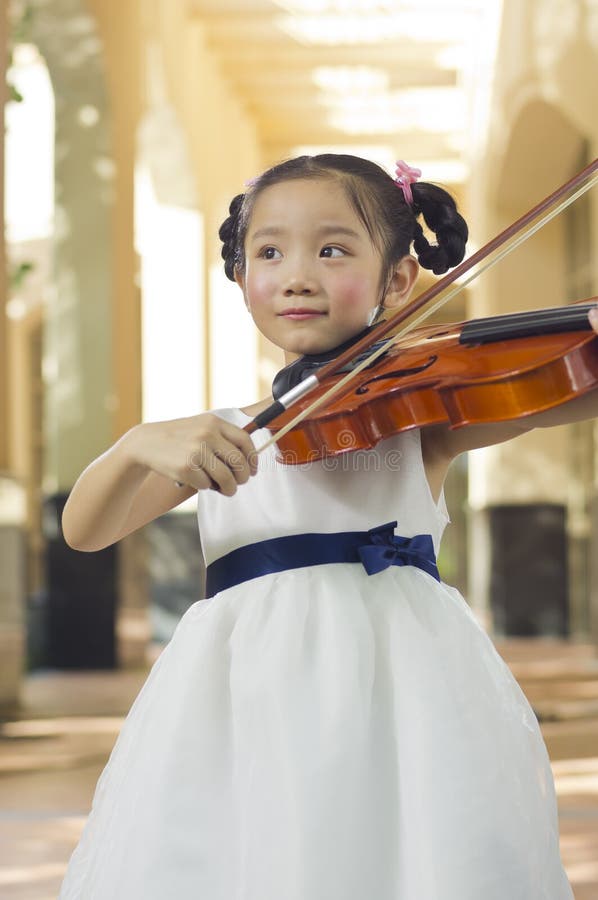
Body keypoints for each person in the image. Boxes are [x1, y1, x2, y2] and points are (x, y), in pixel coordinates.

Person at [57, 153, 592, 899]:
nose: (296, 274)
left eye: (332, 249)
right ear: (241, 276)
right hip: (253, 693)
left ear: (399, 281)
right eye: (268, 252)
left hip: (406, 686)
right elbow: (86, 530)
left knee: (408, 850)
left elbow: (574, 387)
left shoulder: (423, 420)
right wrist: (137, 443)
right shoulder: (220, 437)